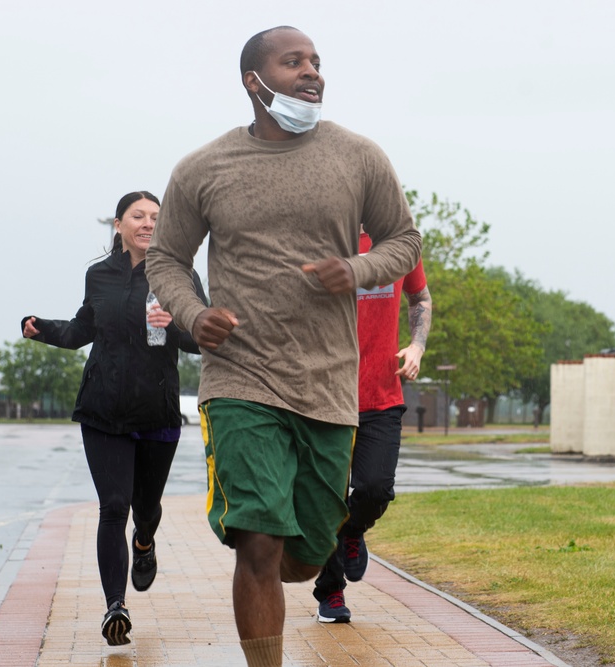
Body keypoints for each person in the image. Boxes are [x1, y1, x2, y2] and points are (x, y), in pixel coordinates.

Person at [145, 26, 422, 667]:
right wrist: (193, 311)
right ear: (254, 80)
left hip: (328, 385)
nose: (311, 72)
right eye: (293, 62)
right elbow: (165, 258)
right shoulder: (203, 168)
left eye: (316, 62)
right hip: (241, 379)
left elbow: (403, 242)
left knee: (304, 554)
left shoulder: (359, 157)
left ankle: (320, 550)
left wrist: (353, 271)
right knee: (260, 544)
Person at [21, 191, 207, 647]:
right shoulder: (98, 275)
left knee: (144, 510)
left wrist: (176, 325)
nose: (148, 223)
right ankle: (115, 607)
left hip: (157, 411)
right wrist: (41, 327)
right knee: (114, 506)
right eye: (138, 216)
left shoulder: (180, 274)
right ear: (119, 225)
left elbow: (202, 339)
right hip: (103, 408)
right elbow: (84, 328)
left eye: (155, 218)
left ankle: (145, 541)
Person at [314, 229, 432, 623]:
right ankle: (330, 592)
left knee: (375, 487)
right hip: (326, 395)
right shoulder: (324, 239)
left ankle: (353, 530)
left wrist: (416, 345)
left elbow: (421, 298)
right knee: (327, 497)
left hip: (382, 393)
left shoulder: (401, 245)